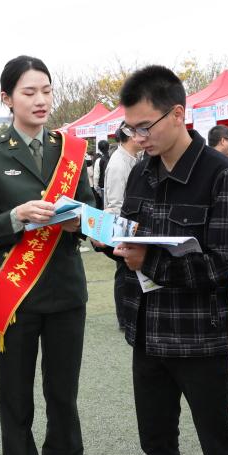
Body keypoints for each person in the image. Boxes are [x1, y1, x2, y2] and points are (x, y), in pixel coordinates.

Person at [109, 66, 228, 455]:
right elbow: (130, 237)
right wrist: (109, 240)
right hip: (147, 329)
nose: (138, 137)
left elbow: (223, 265)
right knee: (156, 443)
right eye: (131, 128)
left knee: (219, 448)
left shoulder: (222, 174)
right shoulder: (141, 171)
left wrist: (149, 262)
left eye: (144, 126)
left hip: (200, 337)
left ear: (177, 114)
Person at [0, 55, 95, 455]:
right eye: (28, 92)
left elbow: (90, 213)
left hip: (66, 292)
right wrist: (17, 216)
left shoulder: (70, 151)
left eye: (46, 90)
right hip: (15, 299)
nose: (41, 100)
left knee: (63, 399)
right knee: (16, 403)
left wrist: (77, 220)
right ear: (7, 99)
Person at [103, 123, 144, 330]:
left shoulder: (132, 158)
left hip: (130, 224)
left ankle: (127, 316)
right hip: (123, 225)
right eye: (140, 132)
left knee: (127, 271)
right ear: (130, 135)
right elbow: (116, 203)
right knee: (123, 271)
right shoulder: (119, 164)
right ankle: (124, 318)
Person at [92, 138, 110, 207]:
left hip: (103, 187)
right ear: (108, 147)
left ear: (99, 149)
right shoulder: (113, 158)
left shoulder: (99, 160)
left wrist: (96, 188)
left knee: (105, 206)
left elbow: (96, 176)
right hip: (112, 185)